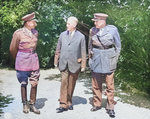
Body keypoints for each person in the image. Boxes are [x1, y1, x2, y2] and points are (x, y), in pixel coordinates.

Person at [88, 13, 121, 117]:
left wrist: (115, 59)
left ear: (103, 21)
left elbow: (118, 46)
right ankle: (97, 104)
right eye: (94, 21)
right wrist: (90, 59)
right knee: (96, 84)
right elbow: (89, 46)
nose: (95, 23)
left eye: (96, 21)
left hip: (109, 57)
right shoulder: (92, 30)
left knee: (110, 85)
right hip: (96, 57)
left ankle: (110, 107)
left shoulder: (112, 30)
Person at [9, 12, 40, 114]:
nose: (35, 23)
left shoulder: (35, 32)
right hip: (22, 60)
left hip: (34, 60)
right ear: (27, 22)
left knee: (34, 83)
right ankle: (25, 104)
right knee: (23, 83)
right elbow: (12, 49)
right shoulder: (18, 33)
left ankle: (32, 104)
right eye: (33, 21)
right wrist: (18, 58)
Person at [54, 16, 86, 113]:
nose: (66, 25)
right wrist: (56, 61)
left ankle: (69, 102)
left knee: (71, 84)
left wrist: (83, 65)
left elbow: (83, 51)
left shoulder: (81, 36)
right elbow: (58, 49)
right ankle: (63, 104)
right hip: (63, 63)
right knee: (64, 83)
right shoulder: (62, 35)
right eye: (67, 23)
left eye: (68, 23)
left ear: (74, 25)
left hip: (74, 64)